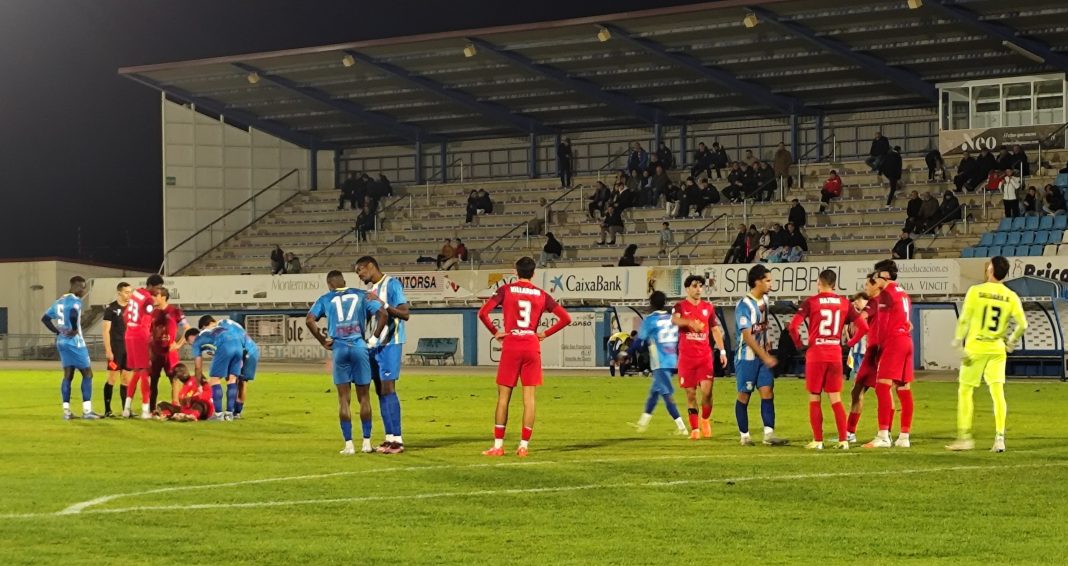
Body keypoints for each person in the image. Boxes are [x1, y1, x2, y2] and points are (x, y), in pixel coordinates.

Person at [477, 257, 572, 457]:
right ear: (534, 273)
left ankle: (498, 446)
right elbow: (566, 318)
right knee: (529, 399)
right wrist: (544, 333)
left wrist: (495, 332)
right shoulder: (542, 295)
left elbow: (483, 313)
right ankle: (523, 446)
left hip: (511, 344)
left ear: (515, 272)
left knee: (504, 398)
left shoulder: (505, 290)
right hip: (531, 345)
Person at [947, 256, 1027, 453]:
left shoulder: (976, 291)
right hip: (997, 348)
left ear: (990, 270)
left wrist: (957, 341)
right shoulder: (1011, 295)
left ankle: (965, 438)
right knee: (997, 392)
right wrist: (1011, 342)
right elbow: (1023, 324)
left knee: (965, 391)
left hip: (975, 348)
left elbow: (964, 319)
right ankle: (999, 438)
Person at [307, 270, 386, 455]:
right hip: (359, 346)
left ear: (329, 284)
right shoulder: (362, 294)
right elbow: (383, 313)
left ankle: (349, 445)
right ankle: (366, 443)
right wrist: (374, 338)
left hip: (339, 348)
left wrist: (322, 340)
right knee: (364, 397)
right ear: (343, 281)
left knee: (343, 399)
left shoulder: (325, 298)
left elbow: (309, 320)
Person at [788, 270, 869, 450]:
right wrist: (850, 343)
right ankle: (843, 440)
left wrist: (799, 345)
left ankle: (818, 440)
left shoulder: (811, 302)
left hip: (816, 353)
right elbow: (864, 327)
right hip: (834, 354)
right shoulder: (844, 303)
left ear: (819, 283)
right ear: (835, 284)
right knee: (835, 399)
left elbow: (793, 326)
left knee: (814, 397)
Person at [357, 256, 411, 454]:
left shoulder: (392, 284)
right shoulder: (371, 290)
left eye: (360, 270)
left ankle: (398, 439)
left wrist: (384, 304)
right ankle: (389, 438)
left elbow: (405, 314)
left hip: (391, 343)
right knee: (380, 390)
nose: (359, 275)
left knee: (388, 388)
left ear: (371, 266)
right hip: (374, 346)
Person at [863, 259, 915, 449]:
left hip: (893, 342)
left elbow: (883, 325)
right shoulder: (903, 293)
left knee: (882, 387)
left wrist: (877, 348)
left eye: (876, 277)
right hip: (906, 340)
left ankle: (883, 435)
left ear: (884, 276)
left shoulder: (886, 294)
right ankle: (904, 437)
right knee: (903, 389)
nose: (875, 280)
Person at [734, 265, 788, 446]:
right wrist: (765, 356)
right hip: (746, 357)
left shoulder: (765, 299)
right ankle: (745, 436)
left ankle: (769, 435)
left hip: (762, 356)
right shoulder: (744, 305)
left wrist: (768, 343)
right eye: (768, 280)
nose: (771, 284)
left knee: (767, 391)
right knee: (744, 395)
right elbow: (747, 336)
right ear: (757, 282)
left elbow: (763, 326)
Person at [672, 275, 728, 440]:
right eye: (695, 286)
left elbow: (715, 329)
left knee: (707, 392)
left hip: (704, 357)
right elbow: (674, 320)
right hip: (686, 358)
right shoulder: (680, 306)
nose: (698, 289)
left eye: (700, 286)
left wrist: (722, 351)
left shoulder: (708, 307)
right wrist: (690, 323)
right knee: (690, 394)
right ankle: (695, 429)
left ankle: (705, 419)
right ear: (687, 289)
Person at [630, 291, 688, 435]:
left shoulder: (650, 320)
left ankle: (682, 428)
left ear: (651, 304)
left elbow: (639, 341)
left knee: (666, 394)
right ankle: (642, 424)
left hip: (659, 361)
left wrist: (627, 353)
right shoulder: (672, 318)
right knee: (655, 393)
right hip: (671, 359)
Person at [41, 276, 99, 420]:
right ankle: (87, 411)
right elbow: (73, 313)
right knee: (88, 374)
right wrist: (73, 328)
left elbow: (45, 319)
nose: (83, 290)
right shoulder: (75, 301)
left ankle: (66, 412)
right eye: (83, 287)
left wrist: (57, 331)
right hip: (75, 342)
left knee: (68, 375)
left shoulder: (59, 301)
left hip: (61, 341)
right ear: (76, 286)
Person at [122, 274, 165, 419]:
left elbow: (125, 315)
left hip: (129, 333)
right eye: (157, 288)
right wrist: (148, 340)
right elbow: (146, 321)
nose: (158, 291)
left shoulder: (135, 293)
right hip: (140, 335)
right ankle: (145, 411)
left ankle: (126, 408)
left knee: (137, 371)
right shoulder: (148, 300)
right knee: (145, 371)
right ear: (151, 286)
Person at [187, 316, 245, 420]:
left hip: (225, 346)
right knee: (232, 379)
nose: (190, 344)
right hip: (238, 345)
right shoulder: (214, 329)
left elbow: (198, 367)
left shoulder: (197, 340)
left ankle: (218, 415)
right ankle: (229, 414)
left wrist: (198, 384)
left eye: (188, 342)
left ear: (191, 337)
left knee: (214, 380)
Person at [846, 276, 881, 443]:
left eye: (867, 284)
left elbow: (864, 326)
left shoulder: (873, 305)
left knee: (884, 392)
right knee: (856, 391)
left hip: (876, 355)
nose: (855, 304)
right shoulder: (875, 306)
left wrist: (850, 342)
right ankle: (850, 433)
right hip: (864, 356)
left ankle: (886, 433)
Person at [148, 287, 189, 413]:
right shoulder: (152, 313)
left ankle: (175, 406)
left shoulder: (175, 311)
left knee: (174, 379)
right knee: (153, 381)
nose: (153, 298)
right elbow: (148, 332)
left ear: (163, 297)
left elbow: (187, 329)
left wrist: (178, 344)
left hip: (170, 353)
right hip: (155, 353)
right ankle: (151, 409)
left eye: (155, 296)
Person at [217, 317, 259, 419]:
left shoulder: (220, 327)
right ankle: (236, 412)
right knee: (241, 381)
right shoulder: (229, 324)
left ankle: (232, 411)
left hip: (243, 351)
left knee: (233, 379)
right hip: (252, 350)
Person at [101, 281, 132, 418]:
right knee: (112, 378)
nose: (129, 295)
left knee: (126, 379)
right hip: (115, 350)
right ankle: (108, 410)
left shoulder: (132, 308)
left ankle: (126, 410)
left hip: (129, 350)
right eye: (126, 292)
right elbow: (105, 331)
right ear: (119, 292)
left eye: (130, 292)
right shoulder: (111, 309)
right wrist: (108, 350)